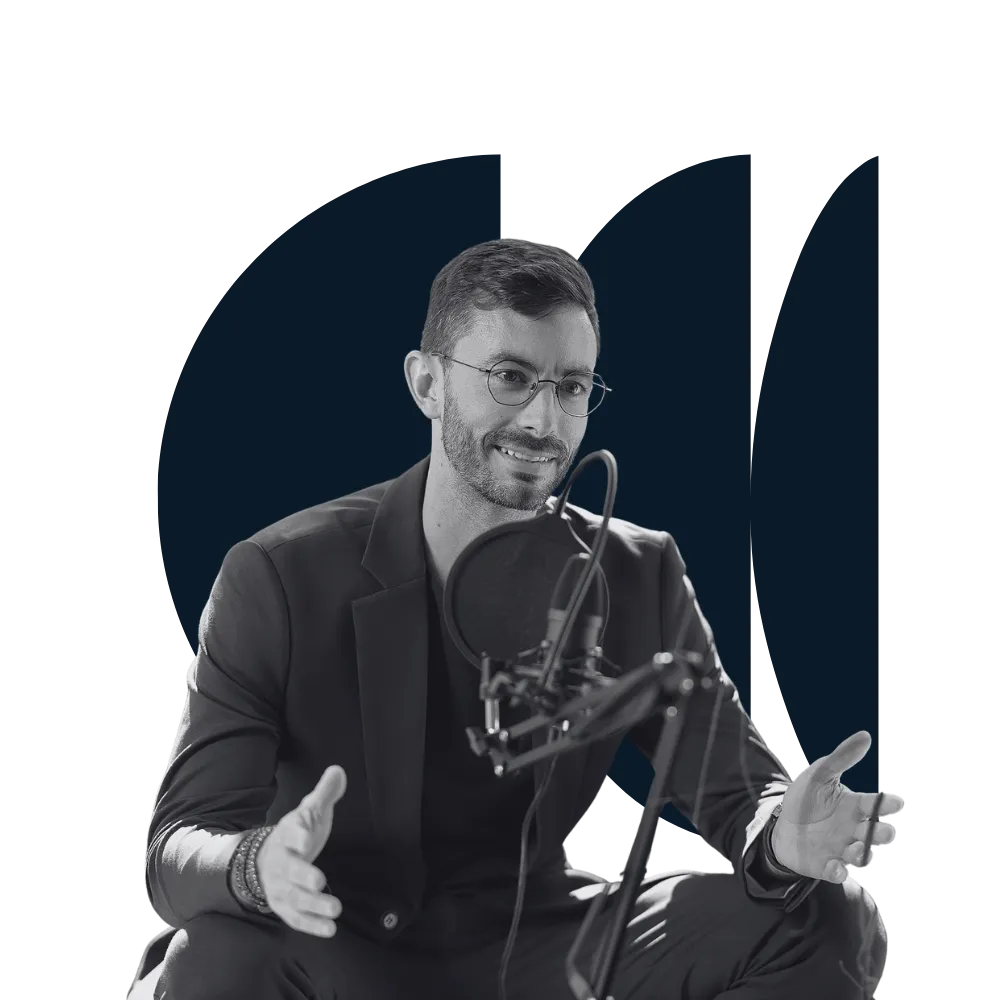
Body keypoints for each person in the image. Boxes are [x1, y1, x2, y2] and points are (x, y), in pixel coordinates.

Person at [140, 238, 895, 999]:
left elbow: (737, 787)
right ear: (427, 383)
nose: (543, 418)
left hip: (536, 943)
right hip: (338, 942)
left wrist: (783, 836)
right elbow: (177, 844)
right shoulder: (279, 575)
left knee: (828, 918)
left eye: (572, 386)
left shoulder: (637, 571)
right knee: (212, 959)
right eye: (509, 377)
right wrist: (257, 867)